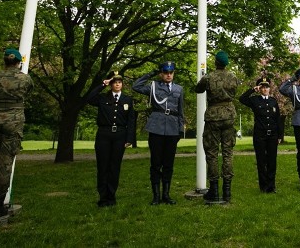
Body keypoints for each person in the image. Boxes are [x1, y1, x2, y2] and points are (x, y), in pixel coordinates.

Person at [0, 48, 33, 220]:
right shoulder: (24, 78)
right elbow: (27, 92)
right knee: (4, 164)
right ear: (18, 62)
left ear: (4, 61)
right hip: (13, 121)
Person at [133, 61, 185, 205]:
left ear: (173, 73)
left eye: (171, 73)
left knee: (168, 164)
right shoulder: (153, 86)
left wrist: (180, 129)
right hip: (156, 127)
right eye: (166, 72)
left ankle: (166, 195)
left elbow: (181, 111)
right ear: (161, 73)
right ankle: (156, 196)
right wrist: (152, 73)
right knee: (156, 163)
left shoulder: (179, 89)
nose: (169, 75)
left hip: (172, 129)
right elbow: (136, 86)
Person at [85, 70, 136, 208]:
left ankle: (111, 196)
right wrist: (103, 83)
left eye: (119, 82)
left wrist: (129, 138)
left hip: (120, 135)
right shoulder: (103, 98)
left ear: (122, 84)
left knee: (114, 167)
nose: (117, 84)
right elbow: (89, 98)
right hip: (104, 134)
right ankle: (103, 197)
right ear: (111, 84)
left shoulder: (127, 100)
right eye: (114, 82)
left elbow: (131, 121)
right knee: (103, 167)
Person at [195, 51, 239, 203]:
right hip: (229, 116)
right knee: (228, 153)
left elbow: (198, 89)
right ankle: (227, 192)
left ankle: (213, 191)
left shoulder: (209, 77)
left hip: (213, 117)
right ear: (226, 63)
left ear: (216, 62)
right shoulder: (233, 77)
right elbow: (234, 91)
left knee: (212, 153)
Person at [239, 76, 281, 193]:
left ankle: (272, 186)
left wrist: (279, 136)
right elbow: (242, 99)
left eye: (267, 87)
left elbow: (278, 119)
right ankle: (264, 186)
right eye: (262, 87)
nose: (265, 89)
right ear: (260, 88)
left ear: (269, 88)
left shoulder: (273, 101)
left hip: (272, 135)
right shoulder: (255, 100)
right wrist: (253, 90)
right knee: (261, 161)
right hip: (260, 135)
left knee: (272, 161)